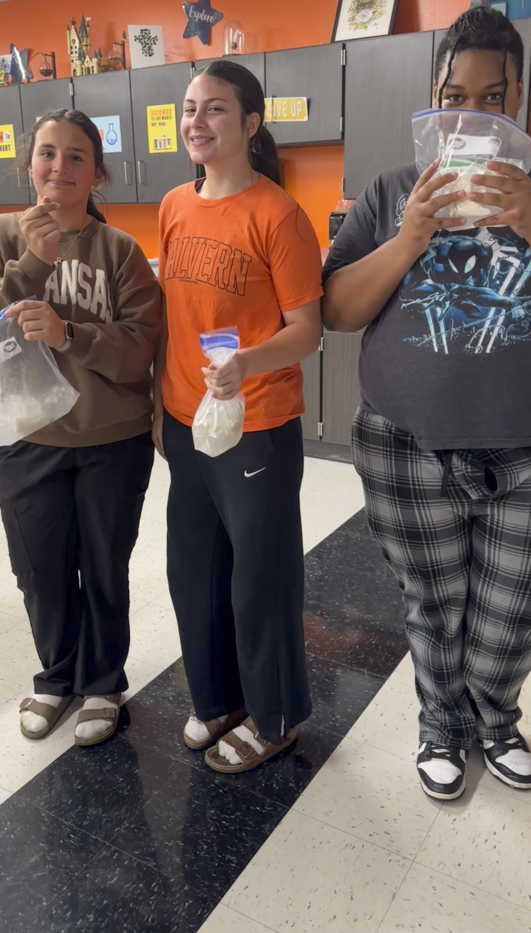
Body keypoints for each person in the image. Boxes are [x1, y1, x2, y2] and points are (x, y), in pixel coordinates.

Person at [322, 8, 531, 801]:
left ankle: (496, 713)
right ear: (435, 96)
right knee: (432, 605)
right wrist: (409, 235)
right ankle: (441, 726)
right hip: (405, 441)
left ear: (520, 99)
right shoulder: (394, 190)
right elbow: (338, 309)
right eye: (457, 95)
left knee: (517, 613)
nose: (475, 113)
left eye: (495, 96)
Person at [0, 108, 161, 747]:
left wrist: (71, 334)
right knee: (38, 567)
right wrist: (31, 265)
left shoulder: (119, 250)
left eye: (76, 157)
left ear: (97, 172)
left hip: (110, 439)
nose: (60, 168)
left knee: (103, 565)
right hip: (25, 437)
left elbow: (141, 348)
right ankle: (57, 676)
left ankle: (102, 683)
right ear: (29, 164)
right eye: (47, 153)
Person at [153, 60, 323, 773]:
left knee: (260, 577)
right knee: (194, 570)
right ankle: (219, 698)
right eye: (190, 108)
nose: (197, 121)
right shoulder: (172, 205)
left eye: (215, 109)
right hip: (187, 421)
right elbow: (172, 316)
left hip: (257, 421)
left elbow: (307, 329)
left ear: (251, 124)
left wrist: (247, 363)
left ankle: (276, 713)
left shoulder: (277, 214)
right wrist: (156, 408)